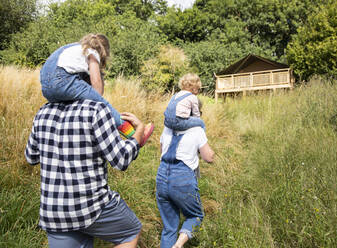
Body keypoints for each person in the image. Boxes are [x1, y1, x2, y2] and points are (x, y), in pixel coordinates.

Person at [25, 94, 145, 246]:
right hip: (90, 207)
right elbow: (121, 160)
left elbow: (31, 157)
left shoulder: (43, 110)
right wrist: (139, 133)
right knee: (131, 232)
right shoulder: (96, 109)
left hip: (54, 211)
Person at [40, 33, 153, 146]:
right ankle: (135, 134)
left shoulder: (72, 48)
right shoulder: (91, 51)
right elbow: (97, 87)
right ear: (103, 51)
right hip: (63, 80)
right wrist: (98, 96)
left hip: (46, 88)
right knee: (103, 105)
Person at [156, 99, 215, 248]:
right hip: (182, 177)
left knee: (169, 227)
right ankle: (179, 244)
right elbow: (208, 158)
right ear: (196, 113)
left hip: (162, 176)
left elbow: (161, 150)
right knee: (195, 215)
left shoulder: (167, 128)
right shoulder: (197, 130)